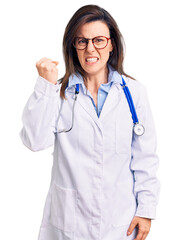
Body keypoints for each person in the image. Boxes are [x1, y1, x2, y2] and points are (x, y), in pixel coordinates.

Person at [20, 4, 160, 240]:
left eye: (99, 40)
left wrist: (146, 210)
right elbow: (34, 141)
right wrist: (45, 86)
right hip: (68, 224)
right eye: (82, 41)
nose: (90, 49)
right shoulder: (57, 93)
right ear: (73, 46)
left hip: (121, 221)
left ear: (111, 44)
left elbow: (145, 158)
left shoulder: (134, 93)